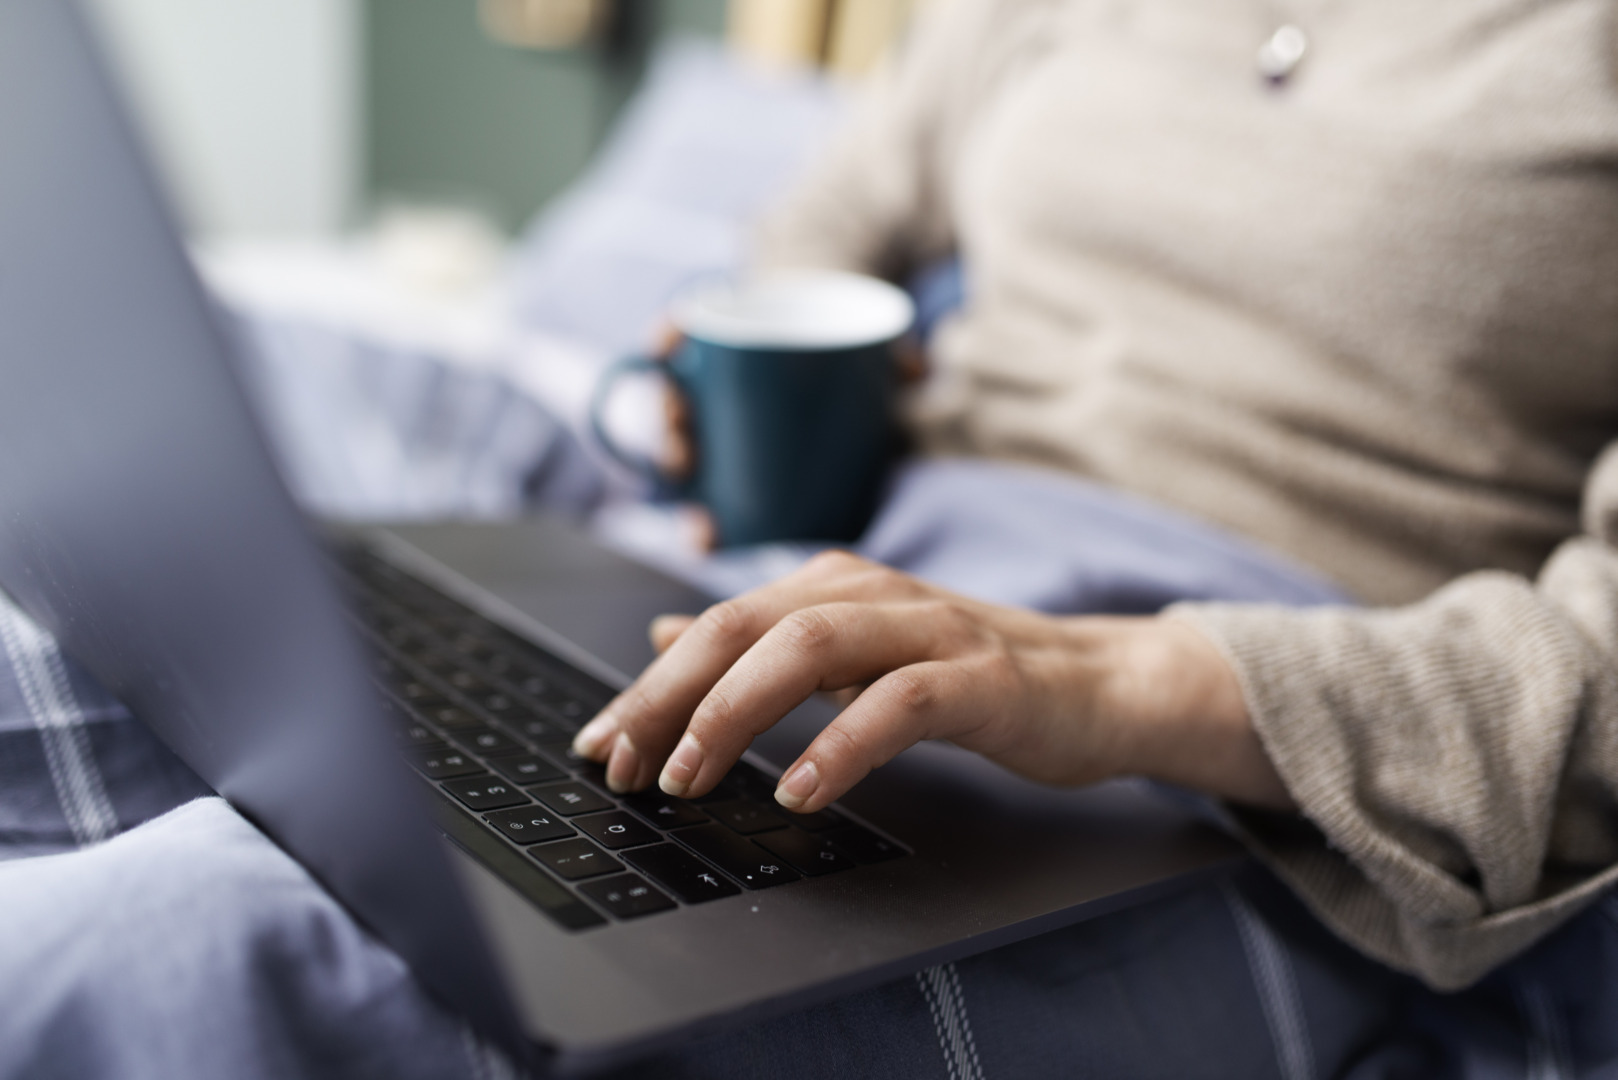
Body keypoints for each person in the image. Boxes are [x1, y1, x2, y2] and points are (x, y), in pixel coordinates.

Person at [570, 0, 1618, 1073]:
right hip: (852, 580)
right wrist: (774, 374)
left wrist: (1114, 682)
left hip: (1251, 757)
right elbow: (825, 219)